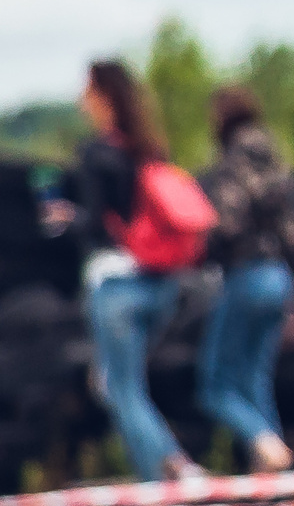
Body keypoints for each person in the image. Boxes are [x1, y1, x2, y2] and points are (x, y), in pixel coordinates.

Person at [53, 60, 198, 481]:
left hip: (116, 284)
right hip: (162, 284)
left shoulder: (96, 153)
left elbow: (98, 224)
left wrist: (68, 217)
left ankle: (170, 464)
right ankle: (160, 476)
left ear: (102, 95)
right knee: (120, 385)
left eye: (87, 90)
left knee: (120, 388)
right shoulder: (148, 149)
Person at [196, 85, 294, 473]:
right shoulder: (277, 163)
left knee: (216, 386)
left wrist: (203, 248)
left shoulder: (231, 165)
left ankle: (267, 447)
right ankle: (273, 477)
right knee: (256, 380)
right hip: (281, 277)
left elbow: (225, 225)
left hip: (246, 276)